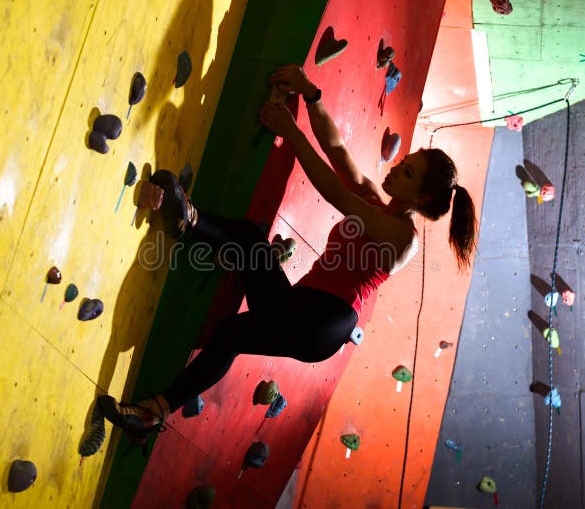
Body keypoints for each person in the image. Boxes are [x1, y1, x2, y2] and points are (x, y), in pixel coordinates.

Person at [97, 64, 477, 449]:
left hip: (325, 320)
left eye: (408, 172)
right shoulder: (374, 199)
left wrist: (291, 132)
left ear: (423, 199)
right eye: (405, 160)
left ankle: (154, 411)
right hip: (303, 304)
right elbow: (337, 149)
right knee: (246, 246)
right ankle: (188, 219)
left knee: (232, 332)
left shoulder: (403, 237)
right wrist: (311, 95)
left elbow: (337, 196)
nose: (398, 166)